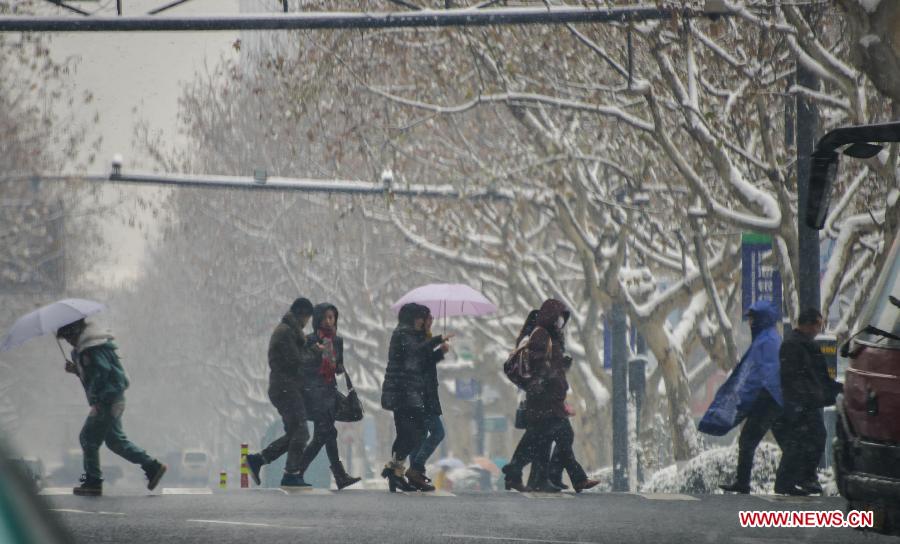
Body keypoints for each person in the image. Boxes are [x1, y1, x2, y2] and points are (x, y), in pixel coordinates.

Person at [57, 318, 166, 496]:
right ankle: (152, 466)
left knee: (88, 438)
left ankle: (93, 481)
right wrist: (77, 369)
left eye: (69, 338)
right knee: (115, 442)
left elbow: (102, 374)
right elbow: (95, 373)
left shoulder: (91, 349)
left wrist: (100, 400)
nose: (69, 342)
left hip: (107, 401)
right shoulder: (91, 348)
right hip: (114, 399)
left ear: (76, 332)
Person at [503, 300, 599, 493]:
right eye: (558, 319)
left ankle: (528, 475)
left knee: (539, 440)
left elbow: (547, 364)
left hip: (549, 400)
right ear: (550, 317)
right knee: (559, 435)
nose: (560, 323)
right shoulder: (541, 334)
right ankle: (566, 477)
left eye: (562, 320)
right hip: (543, 401)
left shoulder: (550, 336)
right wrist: (552, 372)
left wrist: (560, 365)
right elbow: (538, 364)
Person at [700, 299, 787, 495]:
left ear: (762, 319)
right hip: (774, 398)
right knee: (785, 441)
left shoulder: (766, 341)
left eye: (753, 319)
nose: (749, 323)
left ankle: (744, 482)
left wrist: (743, 397)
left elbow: (759, 374)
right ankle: (793, 480)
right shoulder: (769, 338)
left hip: (767, 398)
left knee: (748, 439)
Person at [380, 303, 452, 492]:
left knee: (412, 433)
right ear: (412, 318)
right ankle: (398, 470)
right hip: (402, 392)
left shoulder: (411, 335)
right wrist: (436, 339)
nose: (424, 321)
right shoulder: (403, 334)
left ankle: (396, 472)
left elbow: (421, 361)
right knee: (414, 433)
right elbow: (416, 353)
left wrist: (438, 352)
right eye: (421, 317)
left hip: (409, 392)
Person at [246, 298, 314, 488]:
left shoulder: (290, 332)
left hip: (284, 388)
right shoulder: (285, 332)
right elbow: (296, 361)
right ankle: (291, 474)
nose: (307, 322)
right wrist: (313, 354)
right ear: (302, 314)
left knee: (294, 434)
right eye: (307, 318)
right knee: (301, 431)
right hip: (286, 389)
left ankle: (258, 460)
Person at [293, 303, 361, 490]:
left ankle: (339, 476)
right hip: (313, 394)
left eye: (332, 318)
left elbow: (338, 365)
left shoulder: (338, 341)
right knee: (324, 434)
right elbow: (301, 365)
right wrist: (316, 353)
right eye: (326, 318)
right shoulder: (309, 340)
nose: (329, 321)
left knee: (328, 433)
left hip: (330, 393)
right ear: (318, 320)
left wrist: (339, 367)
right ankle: (297, 470)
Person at [777, 308, 842, 495]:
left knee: (812, 438)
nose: (818, 329)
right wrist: (801, 400)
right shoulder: (791, 345)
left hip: (808, 403)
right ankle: (795, 480)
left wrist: (837, 389)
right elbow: (791, 378)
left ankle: (803, 478)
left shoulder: (810, 345)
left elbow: (820, 377)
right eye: (817, 325)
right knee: (800, 442)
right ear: (807, 324)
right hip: (798, 404)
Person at [408, 311, 450, 484]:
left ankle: (415, 475)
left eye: (432, 318)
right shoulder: (416, 338)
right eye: (428, 318)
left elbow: (426, 362)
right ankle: (416, 466)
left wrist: (441, 352)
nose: (431, 321)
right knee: (438, 432)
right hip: (421, 394)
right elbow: (419, 360)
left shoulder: (424, 337)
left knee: (420, 434)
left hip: (425, 393)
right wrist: (439, 342)